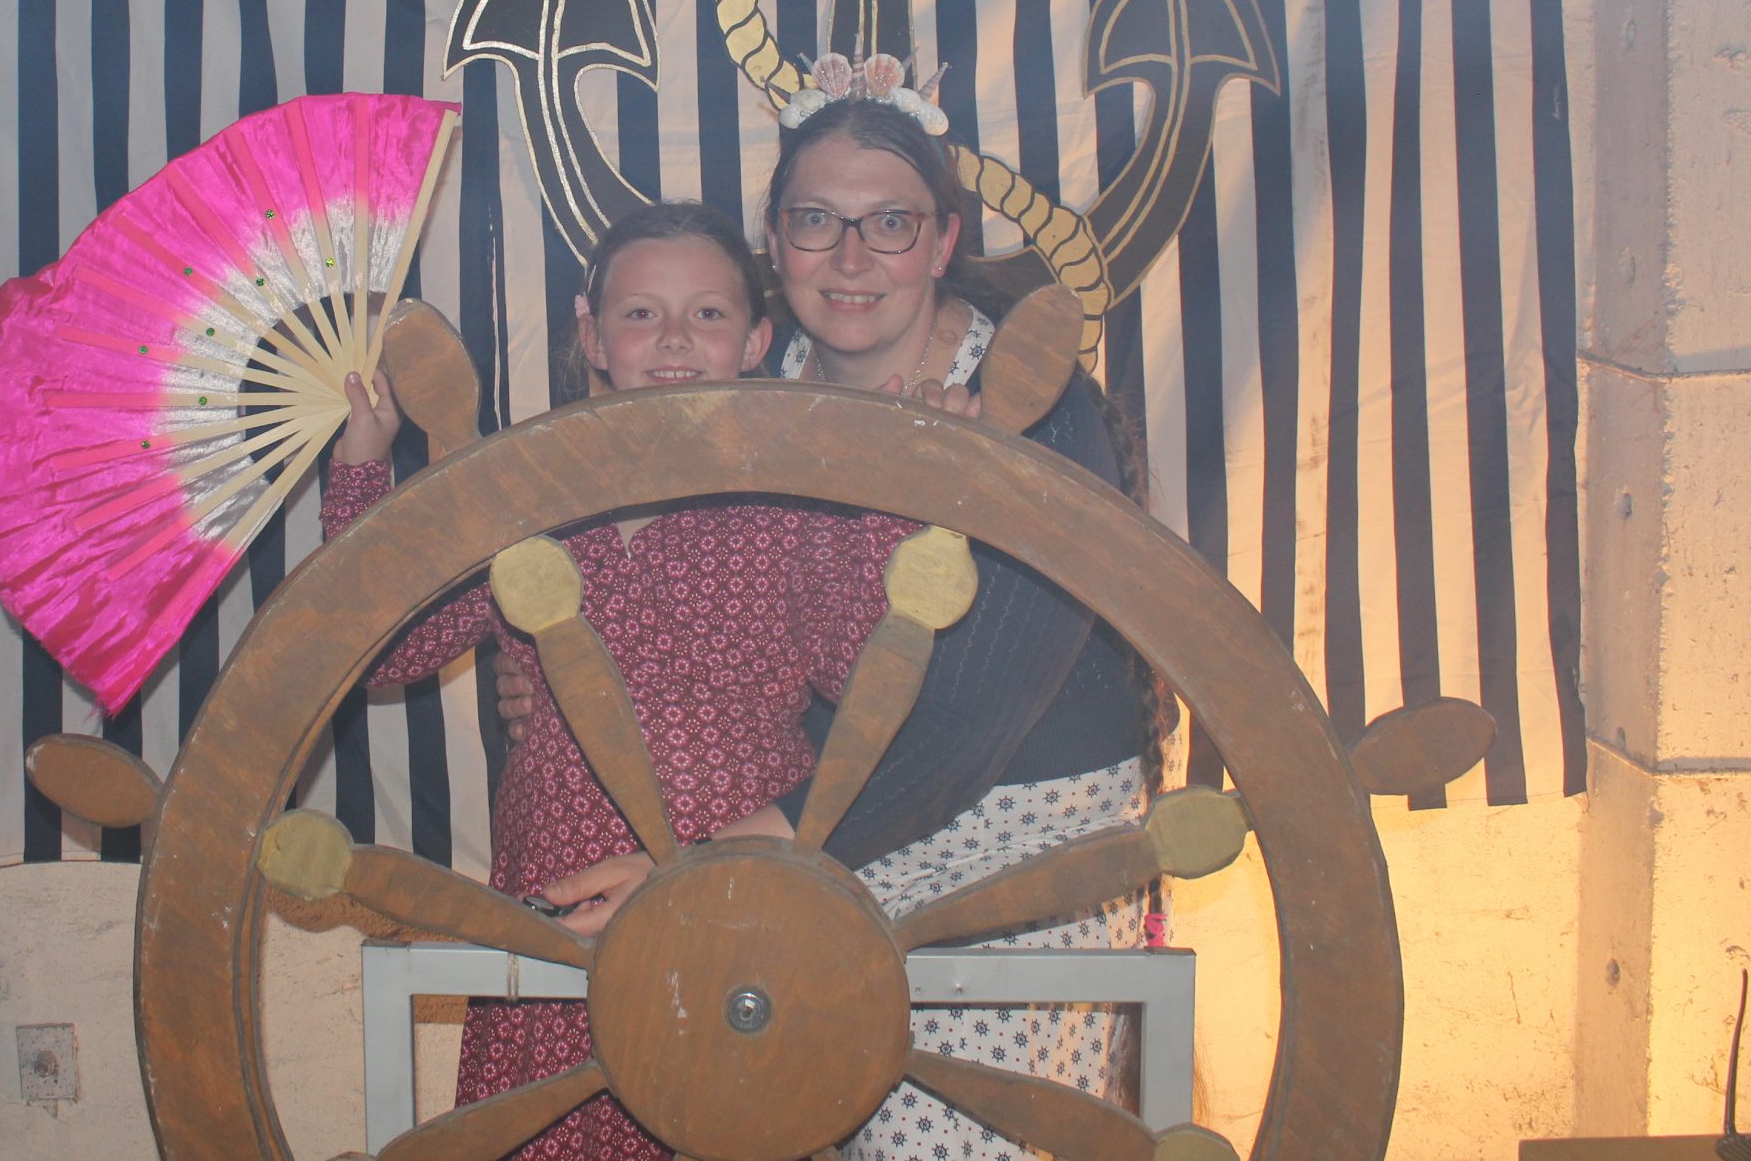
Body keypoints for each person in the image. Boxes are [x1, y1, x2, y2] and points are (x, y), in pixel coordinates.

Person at [526, 82, 1160, 1159]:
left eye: (890, 222)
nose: (852, 255)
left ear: (943, 241)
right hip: (813, 827)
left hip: (1005, 836)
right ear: (777, 244)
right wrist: (538, 664)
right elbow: (678, 591)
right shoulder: (754, 386)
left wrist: (704, 861)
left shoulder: (1031, 403)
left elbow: (968, 717)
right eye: (816, 220)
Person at [323, 199, 917, 1161]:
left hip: (738, 925)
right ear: (592, 333)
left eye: (708, 314)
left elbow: (867, 673)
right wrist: (362, 468)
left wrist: (892, 497)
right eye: (641, 313)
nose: (674, 338)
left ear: (756, 341)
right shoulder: (525, 490)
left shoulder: (798, 501)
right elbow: (386, 648)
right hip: (555, 925)